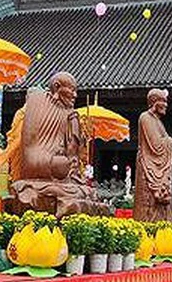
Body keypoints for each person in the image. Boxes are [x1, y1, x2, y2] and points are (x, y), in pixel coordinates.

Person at [9, 72, 107, 216]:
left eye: (76, 91)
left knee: (77, 185)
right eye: (71, 90)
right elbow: (30, 148)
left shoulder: (70, 114)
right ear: (56, 87)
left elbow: (73, 154)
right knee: (60, 167)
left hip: (63, 171)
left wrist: (75, 128)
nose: (74, 95)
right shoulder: (36, 102)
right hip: (41, 163)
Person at [133, 88, 172, 222]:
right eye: (163, 101)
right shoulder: (145, 118)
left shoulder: (158, 122)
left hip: (161, 167)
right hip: (149, 167)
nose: (166, 105)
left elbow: (166, 143)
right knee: (149, 209)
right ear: (154, 102)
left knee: (164, 211)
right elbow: (156, 146)